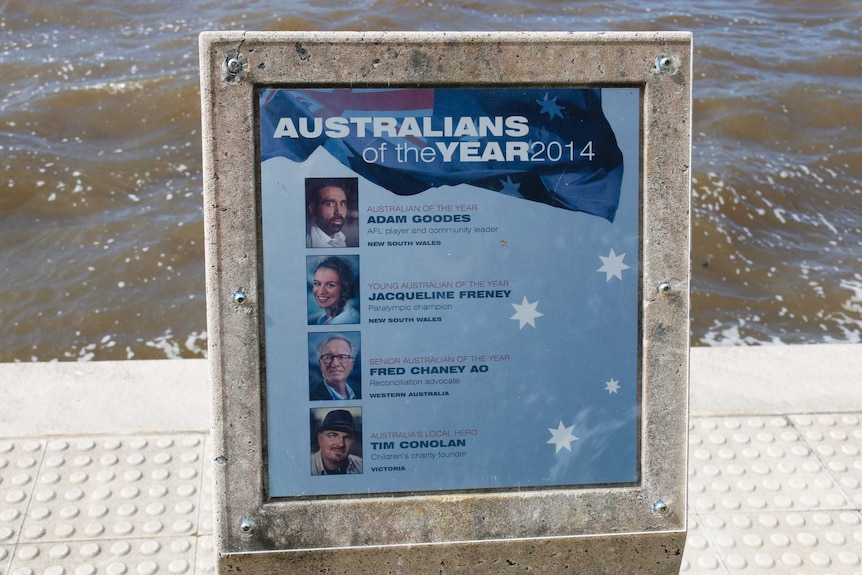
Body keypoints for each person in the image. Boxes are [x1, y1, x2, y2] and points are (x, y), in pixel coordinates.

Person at [311, 409, 363, 475]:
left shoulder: (361, 465)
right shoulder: (306, 469)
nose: (341, 444)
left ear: (353, 441)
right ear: (320, 438)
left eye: (347, 437)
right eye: (333, 436)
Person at [310, 256, 359, 325]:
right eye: (317, 283)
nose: (321, 291)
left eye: (330, 285)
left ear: (344, 288)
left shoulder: (346, 321)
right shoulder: (325, 317)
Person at [306, 180, 354, 248]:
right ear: (313, 209)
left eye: (342, 204)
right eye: (329, 204)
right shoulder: (310, 244)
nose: (339, 212)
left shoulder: (340, 238)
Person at [310, 335, 359, 400]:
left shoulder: (360, 395)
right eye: (328, 357)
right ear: (320, 364)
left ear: (352, 364)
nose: (335, 364)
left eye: (342, 357)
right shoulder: (312, 398)